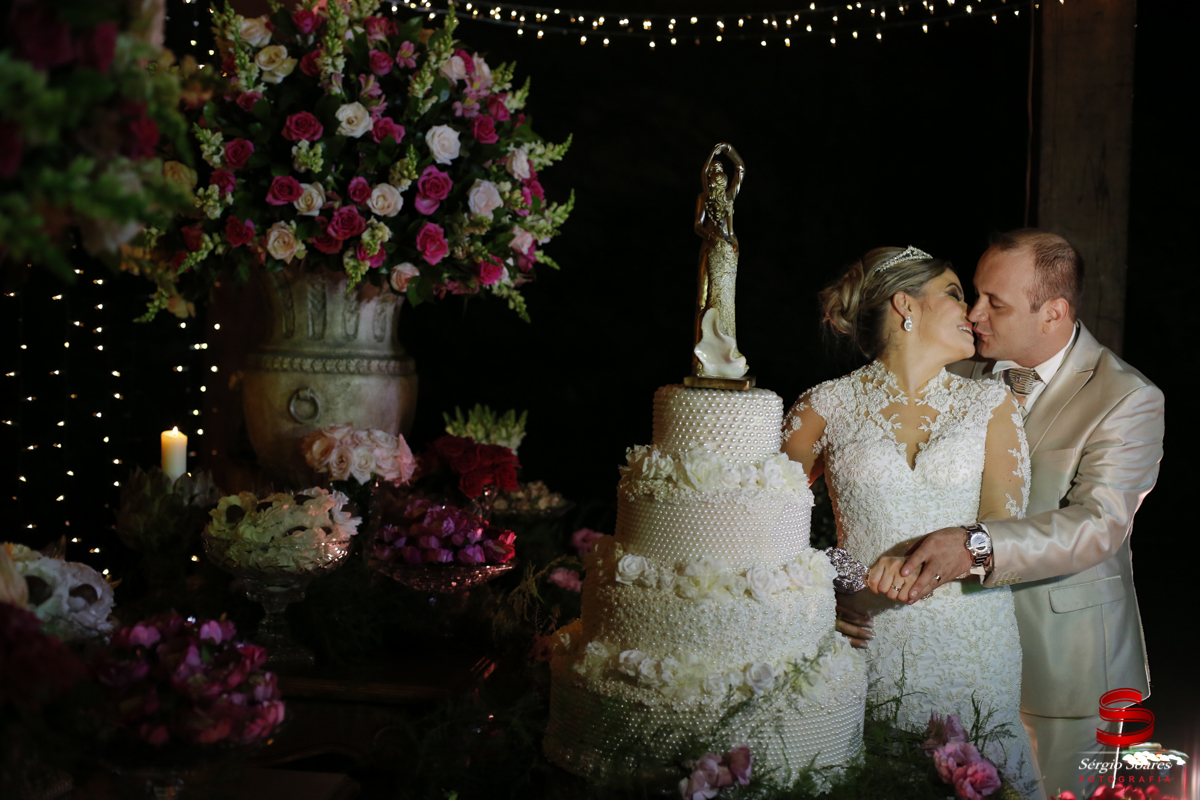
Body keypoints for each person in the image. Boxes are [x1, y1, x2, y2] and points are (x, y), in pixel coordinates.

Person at [897, 230, 1164, 797]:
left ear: (1054, 313)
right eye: (974, 294)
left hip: (1069, 667)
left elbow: (1098, 525)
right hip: (957, 652)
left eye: (995, 303)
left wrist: (973, 546)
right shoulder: (956, 372)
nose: (973, 314)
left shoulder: (1127, 397)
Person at [783, 245, 1043, 799]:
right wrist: (820, 593)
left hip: (973, 645)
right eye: (954, 293)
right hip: (864, 643)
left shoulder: (991, 404)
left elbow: (1005, 530)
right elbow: (765, 527)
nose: (971, 312)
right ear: (906, 305)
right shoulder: (824, 406)